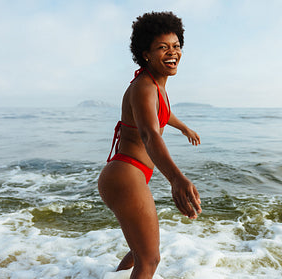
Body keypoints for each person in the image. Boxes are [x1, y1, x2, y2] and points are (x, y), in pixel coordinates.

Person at [98, 11, 202, 279]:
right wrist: (176, 179)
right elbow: (149, 134)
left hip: (129, 174)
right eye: (162, 47)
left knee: (139, 252)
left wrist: (183, 127)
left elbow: (162, 114)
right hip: (125, 174)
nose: (172, 52)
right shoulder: (144, 87)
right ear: (146, 53)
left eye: (176, 46)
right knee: (150, 260)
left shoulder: (156, 84)